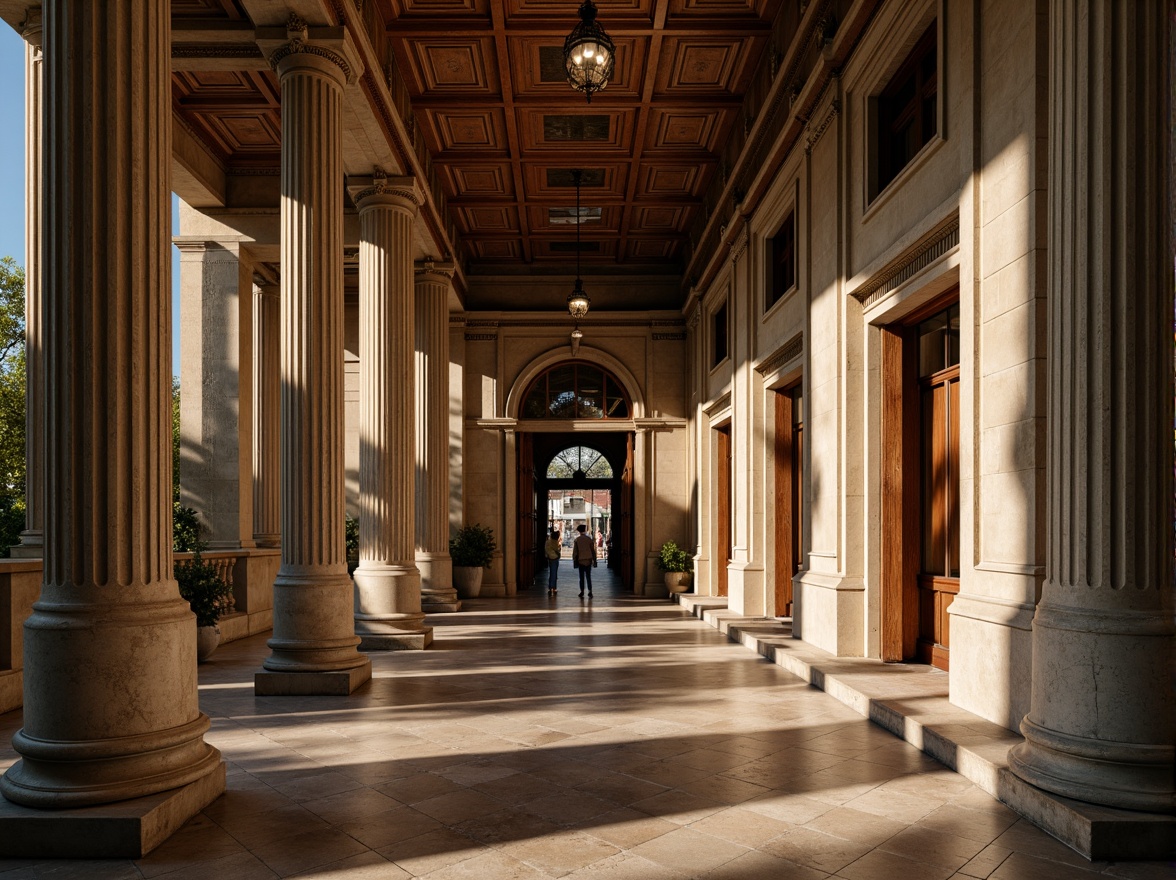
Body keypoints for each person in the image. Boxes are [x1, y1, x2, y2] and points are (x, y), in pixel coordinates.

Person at [572, 523, 597, 598]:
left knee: (581, 577)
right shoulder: (589, 539)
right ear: (585, 530)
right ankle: (590, 591)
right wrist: (594, 560)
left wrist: (574, 560)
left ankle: (582, 591)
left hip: (581, 560)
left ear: (579, 531)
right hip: (588, 560)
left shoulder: (577, 540)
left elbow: (575, 552)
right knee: (588, 576)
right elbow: (593, 551)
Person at [543, 528, 561, 594]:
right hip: (555, 558)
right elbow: (557, 549)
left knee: (551, 573)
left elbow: (546, 550)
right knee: (554, 573)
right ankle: (553, 587)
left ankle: (550, 587)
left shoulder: (547, 542)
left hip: (550, 558)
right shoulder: (554, 542)